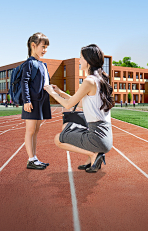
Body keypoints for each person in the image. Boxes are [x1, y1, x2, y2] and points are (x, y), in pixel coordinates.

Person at [45, 44, 115, 173]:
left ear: (88, 61)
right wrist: (60, 92)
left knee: (57, 139)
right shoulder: (101, 80)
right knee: (66, 126)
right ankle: (93, 157)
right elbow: (82, 103)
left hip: (97, 137)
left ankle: (94, 155)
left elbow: (68, 105)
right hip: (106, 137)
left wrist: (51, 93)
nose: (79, 60)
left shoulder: (89, 81)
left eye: (81, 57)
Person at [22, 32, 51, 170]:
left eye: (46, 47)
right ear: (33, 46)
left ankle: (34, 158)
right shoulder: (29, 63)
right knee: (30, 130)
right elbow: (24, 82)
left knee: (36, 130)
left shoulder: (41, 64)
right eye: (43, 46)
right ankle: (31, 159)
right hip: (32, 102)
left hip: (41, 101)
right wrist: (26, 100)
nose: (45, 50)